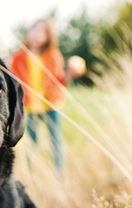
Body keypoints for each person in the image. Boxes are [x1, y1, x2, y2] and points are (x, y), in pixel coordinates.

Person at [10, 18, 85, 169]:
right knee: (32, 140)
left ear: (48, 36)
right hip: (30, 106)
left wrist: (70, 73)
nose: (38, 34)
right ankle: (33, 170)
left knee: (55, 138)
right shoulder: (18, 57)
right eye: (35, 29)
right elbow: (14, 81)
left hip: (52, 104)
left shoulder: (53, 55)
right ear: (29, 31)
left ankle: (59, 170)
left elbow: (60, 81)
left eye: (43, 31)